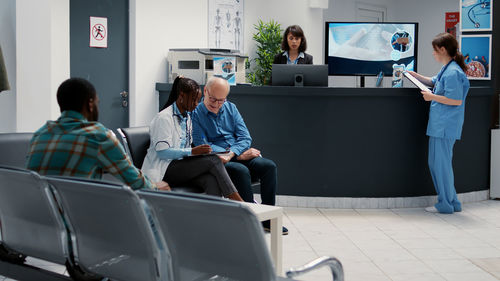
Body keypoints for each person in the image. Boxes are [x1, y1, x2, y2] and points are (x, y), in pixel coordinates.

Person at [26, 77, 168, 191]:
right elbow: (136, 182)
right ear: (90, 104)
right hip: (77, 220)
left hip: (39, 219)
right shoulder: (97, 136)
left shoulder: (41, 134)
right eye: (98, 103)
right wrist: (156, 188)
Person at [192, 77, 288, 234]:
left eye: (221, 100)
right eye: (213, 99)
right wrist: (237, 155)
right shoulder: (195, 114)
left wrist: (232, 154)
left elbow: (245, 137)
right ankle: (250, 218)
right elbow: (203, 145)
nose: (216, 105)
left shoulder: (231, 108)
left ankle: (268, 219)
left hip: (234, 154)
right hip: (217, 161)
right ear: (205, 91)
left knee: (268, 166)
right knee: (240, 170)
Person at [142, 76, 244, 201]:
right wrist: (192, 151)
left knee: (210, 180)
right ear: (181, 96)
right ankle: (238, 202)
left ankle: (216, 217)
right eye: (194, 100)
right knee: (213, 161)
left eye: (198, 100)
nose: (197, 104)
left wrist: (197, 153)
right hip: (164, 168)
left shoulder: (187, 118)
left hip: (180, 165)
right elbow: (162, 152)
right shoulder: (164, 118)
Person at [408, 32, 470, 214]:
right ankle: (453, 202)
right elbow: (434, 81)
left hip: (444, 126)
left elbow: (456, 100)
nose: (433, 54)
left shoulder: (452, 72)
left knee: (438, 164)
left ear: (443, 50)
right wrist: (414, 75)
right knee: (442, 164)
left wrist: (431, 97)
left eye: (435, 51)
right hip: (442, 125)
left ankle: (445, 205)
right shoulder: (448, 69)